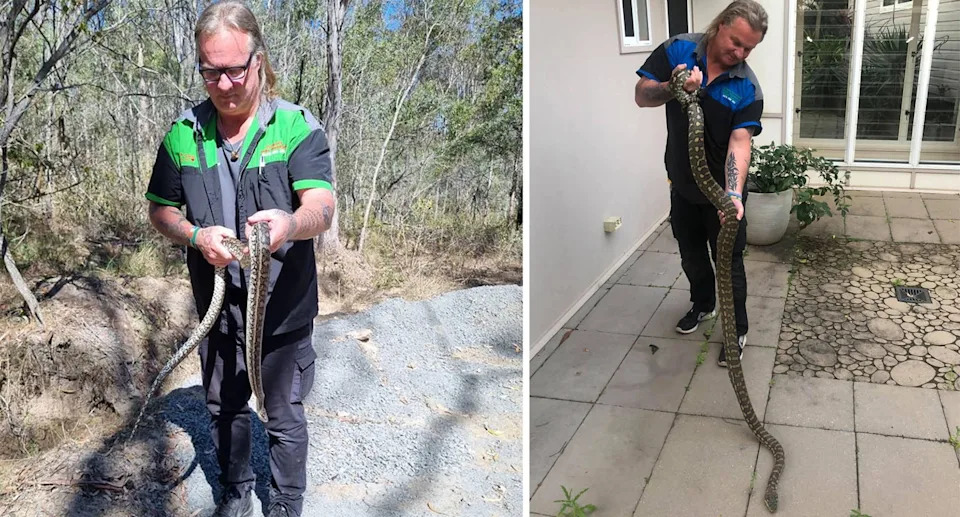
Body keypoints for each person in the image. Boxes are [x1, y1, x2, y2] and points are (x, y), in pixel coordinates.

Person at [144, 2, 336, 516]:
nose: (224, 83)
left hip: (285, 310)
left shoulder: (295, 126)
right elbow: (160, 211)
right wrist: (194, 234)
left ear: (258, 61)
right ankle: (236, 489)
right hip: (218, 309)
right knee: (224, 407)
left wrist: (288, 225)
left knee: (284, 417)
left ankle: (285, 505)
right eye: (211, 71)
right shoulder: (184, 133)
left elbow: (321, 205)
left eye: (234, 69)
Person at [634, 0, 767, 367]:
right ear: (720, 25)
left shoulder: (747, 88)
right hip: (682, 186)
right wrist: (674, 85)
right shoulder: (677, 49)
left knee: (729, 263)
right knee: (691, 255)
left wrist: (733, 196)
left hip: (723, 195)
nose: (739, 53)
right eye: (736, 42)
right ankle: (703, 304)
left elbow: (740, 144)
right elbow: (642, 96)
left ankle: (737, 329)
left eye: (749, 48)